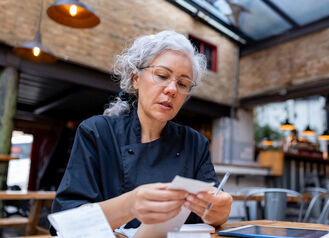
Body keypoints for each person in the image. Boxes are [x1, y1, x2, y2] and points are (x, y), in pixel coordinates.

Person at [51, 30, 233, 236]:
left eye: (183, 84)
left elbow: (214, 211)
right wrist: (130, 204)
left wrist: (219, 211)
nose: (172, 89)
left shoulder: (195, 143)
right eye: (163, 76)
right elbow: (68, 221)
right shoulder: (97, 132)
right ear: (136, 79)